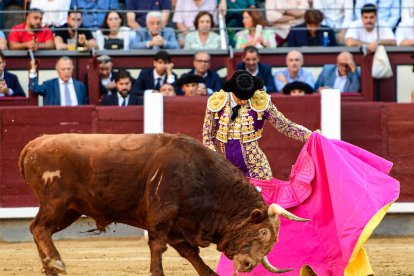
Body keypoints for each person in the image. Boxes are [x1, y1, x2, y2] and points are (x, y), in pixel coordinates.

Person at [207, 71, 399, 276]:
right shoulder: (217, 102)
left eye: (247, 95)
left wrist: (311, 136)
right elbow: (207, 136)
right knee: (237, 222)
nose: (244, 99)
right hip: (228, 170)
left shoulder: (260, 101)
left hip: (257, 169)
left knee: (266, 219)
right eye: (240, 95)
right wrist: (216, 165)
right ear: (231, 91)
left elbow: (285, 126)